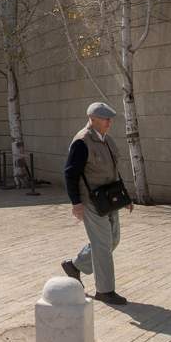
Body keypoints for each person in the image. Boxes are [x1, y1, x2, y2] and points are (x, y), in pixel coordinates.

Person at [61, 101, 133, 306]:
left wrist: (125, 197)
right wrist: (76, 203)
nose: (109, 122)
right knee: (102, 245)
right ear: (92, 119)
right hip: (91, 200)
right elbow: (70, 174)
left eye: (110, 119)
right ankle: (105, 290)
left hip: (110, 198)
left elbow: (114, 171)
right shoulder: (82, 141)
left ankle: (75, 266)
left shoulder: (108, 140)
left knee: (113, 240)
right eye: (105, 119)